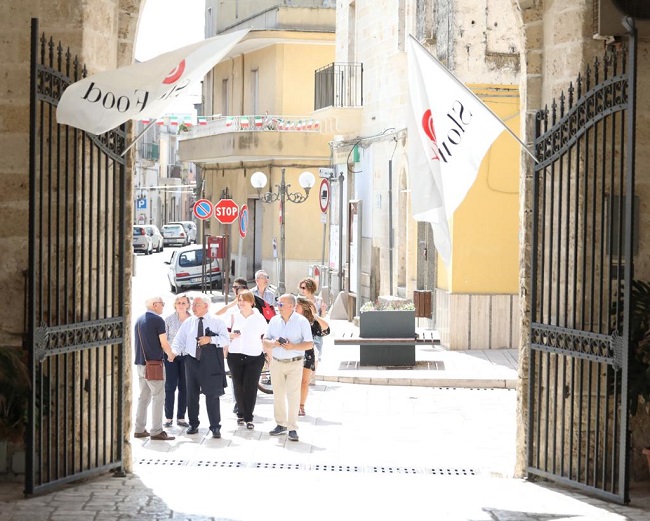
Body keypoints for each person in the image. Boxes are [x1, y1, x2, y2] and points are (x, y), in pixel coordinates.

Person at [171, 295, 230, 439]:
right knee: (191, 394)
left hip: (210, 362)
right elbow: (179, 339)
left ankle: (215, 426)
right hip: (191, 361)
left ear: (206, 306)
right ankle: (193, 423)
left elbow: (225, 339)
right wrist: (173, 352)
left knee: (212, 395)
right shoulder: (189, 322)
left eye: (197, 304)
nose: (193, 307)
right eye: (193, 304)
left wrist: (210, 339)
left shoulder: (217, 321)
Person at [263, 293, 313, 442]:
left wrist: (293, 346)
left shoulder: (302, 321)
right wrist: (273, 343)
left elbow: (309, 344)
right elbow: (265, 341)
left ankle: (292, 427)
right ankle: (280, 424)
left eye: (281, 304)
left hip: (294, 362)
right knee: (278, 395)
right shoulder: (273, 320)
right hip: (277, 362)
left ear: (291, 306)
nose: (278, 306)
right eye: (278, 303)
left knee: (293, 396)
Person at [134, 296, 176, 441]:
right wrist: (171, 355)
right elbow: (164, 343)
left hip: (141, 364)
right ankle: (156, 430)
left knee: (143, 397)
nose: (163, 306)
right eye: (162, 304)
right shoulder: (158, 320)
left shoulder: (139, 319)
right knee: (158, 397)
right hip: (154, 365)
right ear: (155, 305)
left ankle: (139, 429)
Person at [227, 290, 268, 430]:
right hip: (235, 354)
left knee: (250, 386)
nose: (241, 303)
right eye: (239, 300)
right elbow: (223, 334)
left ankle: (249, 417)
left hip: (254, 355)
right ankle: (240, 414)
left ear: (252, 302)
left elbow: (265, 336)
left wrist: (267, 353)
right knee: (237, 385)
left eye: (244, 300)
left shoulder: (259, 318)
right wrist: (230, 336)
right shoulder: (233, 316)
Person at [295, 296, 329, 417]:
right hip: (292, 352)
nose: (294, 308)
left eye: (297, 306)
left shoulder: (312, 322)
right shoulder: (291, 320)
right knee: (293, 382)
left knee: (304, 382)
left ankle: (301, 406)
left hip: (307, 354)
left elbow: (326, 329)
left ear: (304, 308)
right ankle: (293, 405)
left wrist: (315, 315)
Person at [163, 294, 191, 429]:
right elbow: (164, 339)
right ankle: (168, 417)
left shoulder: (193, 320)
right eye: (179, 303)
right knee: (170, 386)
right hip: (171, 356)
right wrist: (170, 353)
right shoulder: (168, 320)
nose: (181, 305)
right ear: (175, 305)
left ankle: (181, 417)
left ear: (188, 305)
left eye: (183, 303)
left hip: (187, 356)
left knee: (184, 387)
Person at [298, 277, 327, 361]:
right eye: (301, 288)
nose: (302, 290)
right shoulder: (300, 301)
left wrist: (323, 310)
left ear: (310, 287)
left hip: (316, 330)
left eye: (304, 288)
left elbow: (322, 317)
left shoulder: (319, 300)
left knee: (316, 355)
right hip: (304, 330)